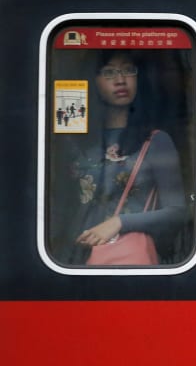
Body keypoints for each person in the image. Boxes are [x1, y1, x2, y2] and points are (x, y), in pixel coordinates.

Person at [54, 50, 188, 265]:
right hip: (71, 257)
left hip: (127, 260)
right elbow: (60, 206)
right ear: (93, 81)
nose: (120, 80)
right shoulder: (75, 141)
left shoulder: (155, 141)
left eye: (128, 70)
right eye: (109, 72)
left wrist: (120, 222)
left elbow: (177, 212)